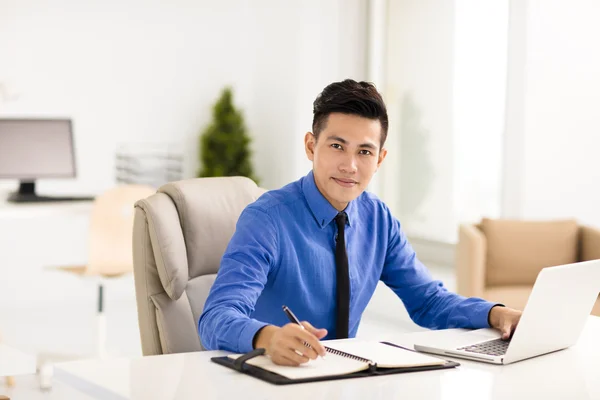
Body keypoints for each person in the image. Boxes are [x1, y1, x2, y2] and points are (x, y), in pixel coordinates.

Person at [198, 79, 522, 366]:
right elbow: (216, 317)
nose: (350, 166)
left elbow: (428, 301)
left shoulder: (379, 220)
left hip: (344, 378)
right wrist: (268, 337)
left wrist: (496, 314)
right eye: (337, 146)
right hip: (270, 377)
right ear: (312, 146)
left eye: (365, 151)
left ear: (380, 159)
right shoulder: (267, 218)